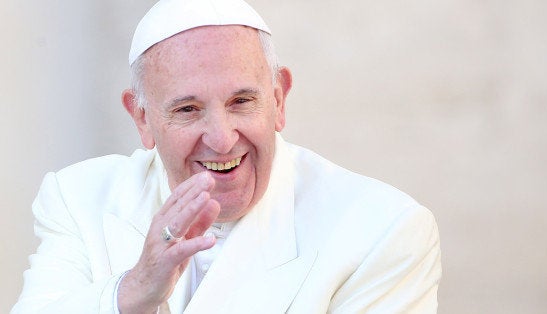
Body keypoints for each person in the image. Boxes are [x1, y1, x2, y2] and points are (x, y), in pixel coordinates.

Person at [12, 0, 441, 313]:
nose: (220, 139)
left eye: (241, 101)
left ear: (279, 98)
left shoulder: (383, 231)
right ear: (141, 118)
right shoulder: (79, 197)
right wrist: (133, 293)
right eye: (187, 109)